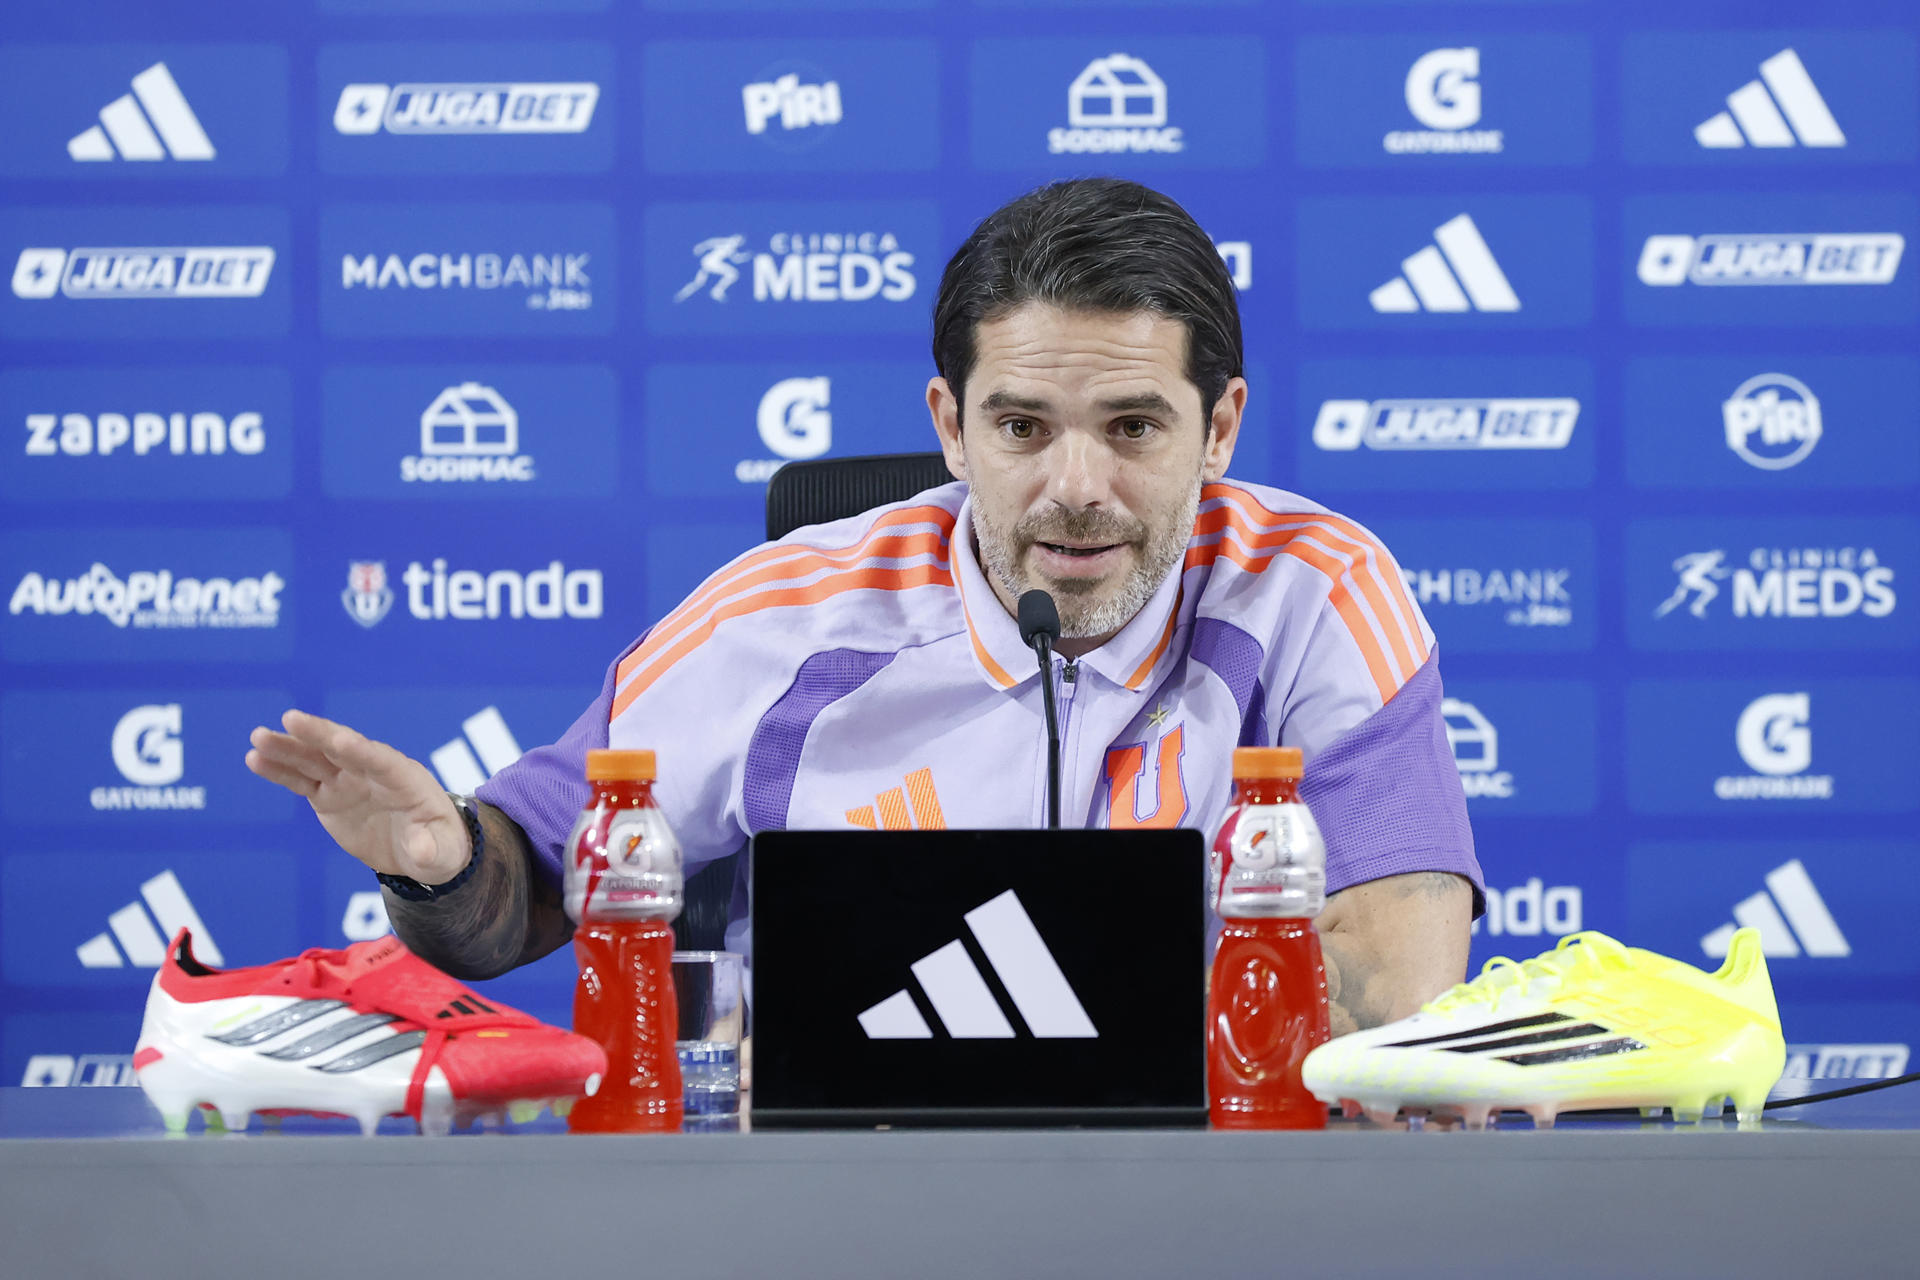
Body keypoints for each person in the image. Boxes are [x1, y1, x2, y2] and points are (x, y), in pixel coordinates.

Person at [247, 178, 1481, 1037]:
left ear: (1219, 430)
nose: (1076, 488)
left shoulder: (1320, 593)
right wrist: (445, 864)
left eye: (1133, 427)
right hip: (830, 1203)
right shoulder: (779, 620)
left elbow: (1396, 1001)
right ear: (951, 427)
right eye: (1022, 426)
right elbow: (525, 891)